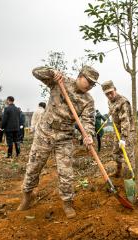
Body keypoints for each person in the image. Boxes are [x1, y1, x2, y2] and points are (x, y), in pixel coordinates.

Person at [17, 65, 98, 219]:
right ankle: (27, 195)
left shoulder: (88, 100)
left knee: (66, 172)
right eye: (89, 81)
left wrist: (88, 135)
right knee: (34, 166)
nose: (91, 86)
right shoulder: (61, 81)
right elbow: (35, 72)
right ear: (80, 76)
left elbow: (88, 121)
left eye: (93, 84)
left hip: (65, 138)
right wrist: (52, 73)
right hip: (44, 133)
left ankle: (67, 202)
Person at [101, 80, 135, 178]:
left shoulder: (123, 102)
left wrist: (123, 138)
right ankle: (119, 171)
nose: (110, 96)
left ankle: (131, 176)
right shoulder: (110, 101)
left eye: (111, 93)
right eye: (107, 94)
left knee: (128, 154)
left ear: (115, 89)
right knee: (116, 152)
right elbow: (112, 111)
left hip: (128, 131)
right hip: (118, 130)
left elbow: (126, 121)